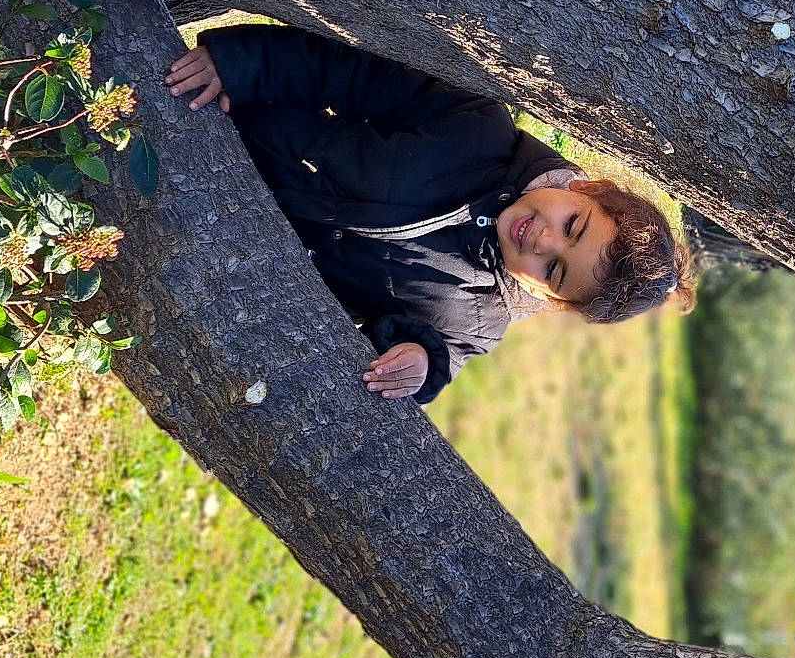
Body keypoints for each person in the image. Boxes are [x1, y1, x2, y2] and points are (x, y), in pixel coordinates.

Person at [166, 25, 690, 404]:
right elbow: (347, 72)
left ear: (551, 300)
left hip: (223, 243)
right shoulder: (479, 128)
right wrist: (240, 66)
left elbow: (437, 352)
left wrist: (419, 361)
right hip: (225, 120)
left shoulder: (480, 319)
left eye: (554, 270)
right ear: (588, 188)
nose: (543, 241)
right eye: (573, 225)